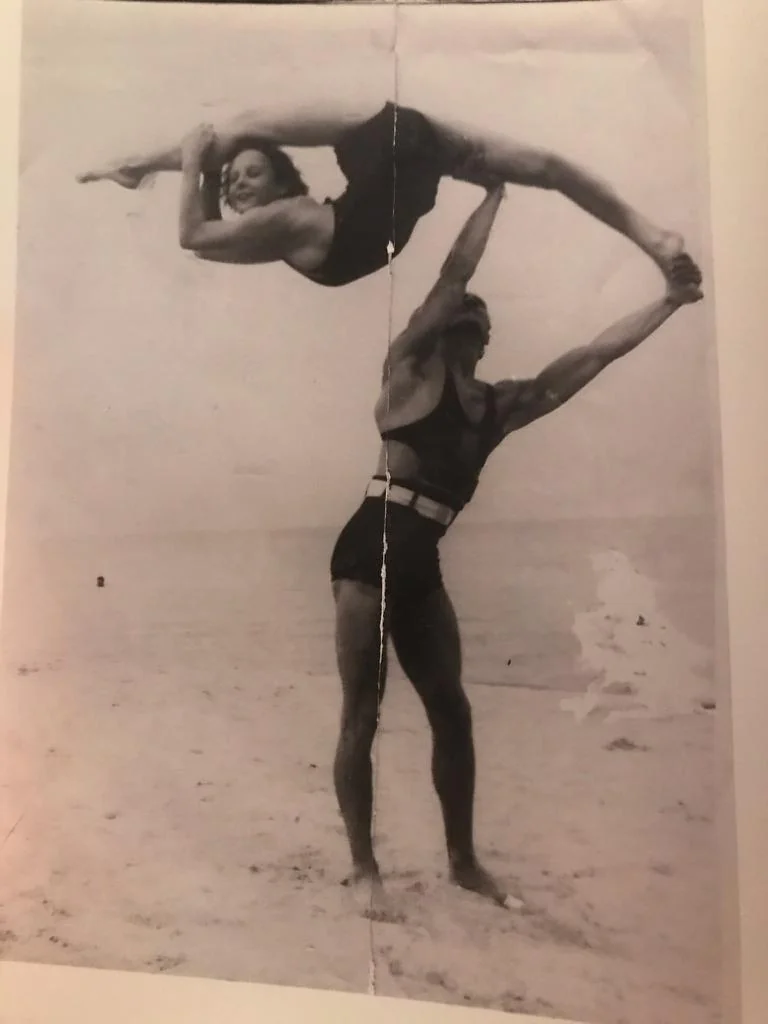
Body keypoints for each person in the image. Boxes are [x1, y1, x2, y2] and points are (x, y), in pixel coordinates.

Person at [329, 182, 702, 920]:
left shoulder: (500, 407)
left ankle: (464, 863)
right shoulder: (407, 372)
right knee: (362, 715)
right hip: (368, 545)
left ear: (485, 336)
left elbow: (595, 355)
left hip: (422, 557)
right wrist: (495, 194)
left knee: (453, 712)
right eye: (460, 312)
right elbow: (453, 276)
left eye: (478, 317)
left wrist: (668, 302)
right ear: (443, 328)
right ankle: (364, 868)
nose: (468, 314)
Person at [77, 100, 691, 288]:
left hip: (392, 152)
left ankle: (136, 164)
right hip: (400, 156)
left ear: (288, 184)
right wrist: (199, 168)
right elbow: (198, 239)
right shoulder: (271, 231)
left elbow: (196, 235)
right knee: (548, 167)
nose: (239, 179)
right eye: (236, 180)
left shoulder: (285, 223)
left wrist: (194, 162)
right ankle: (653, 238)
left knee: (240, 128)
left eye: (253, 174)